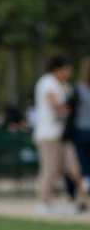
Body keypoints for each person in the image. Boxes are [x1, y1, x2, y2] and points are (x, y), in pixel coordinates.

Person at [33, 55, 85, 214]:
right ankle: (43, 201)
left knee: (73, 167)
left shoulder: (65, 85)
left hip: (63, 133)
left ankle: (82, 199)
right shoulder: (47, 82)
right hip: (48, 134)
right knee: (50, 168)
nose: (69, 73)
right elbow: (55, 104)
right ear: (58, 69)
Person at [70, 59, 90, 190]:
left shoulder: (78, 89)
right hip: (82, 130)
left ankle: (83, 190)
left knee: (82, 164)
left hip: (81, 130)